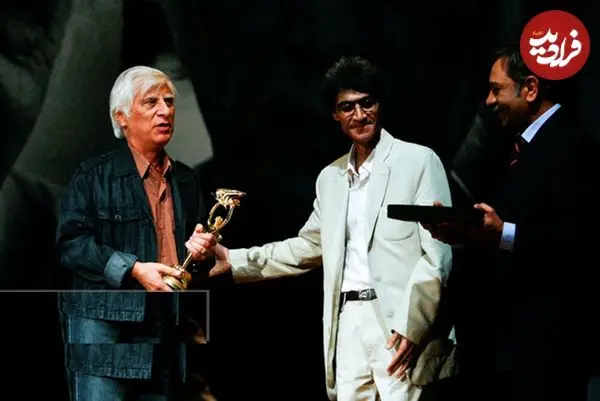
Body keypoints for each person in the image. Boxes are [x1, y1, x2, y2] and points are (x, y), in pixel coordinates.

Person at [207, 56, 453, 401]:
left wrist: (412, 326)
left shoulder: (418, 161)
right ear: (335, 115)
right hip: (348, 324)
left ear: (379, 105)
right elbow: (308, 246)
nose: (359, 115)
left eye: (367, 103)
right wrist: (236, 260)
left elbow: (438, 255)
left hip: (399, 323)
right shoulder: (331, 178)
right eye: (347, 107)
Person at [423, 44, 600, 401]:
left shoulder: (572, 145)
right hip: (510, 349)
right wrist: (465, 233)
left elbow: (578, 241)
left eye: (496, 89)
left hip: (549, 353)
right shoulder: (517, 147)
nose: (489, 101)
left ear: (530, 88)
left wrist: (502, 233)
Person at [55, 65, 217, 401]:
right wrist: (132, 268)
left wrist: (201, 252)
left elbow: (196, 263)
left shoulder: (186, 180)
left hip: (166, 322)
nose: (165, 111)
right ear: (122, 116)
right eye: (151, 102)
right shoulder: (93, 176)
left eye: (169, 101)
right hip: (105, 324)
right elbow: (71, 245)